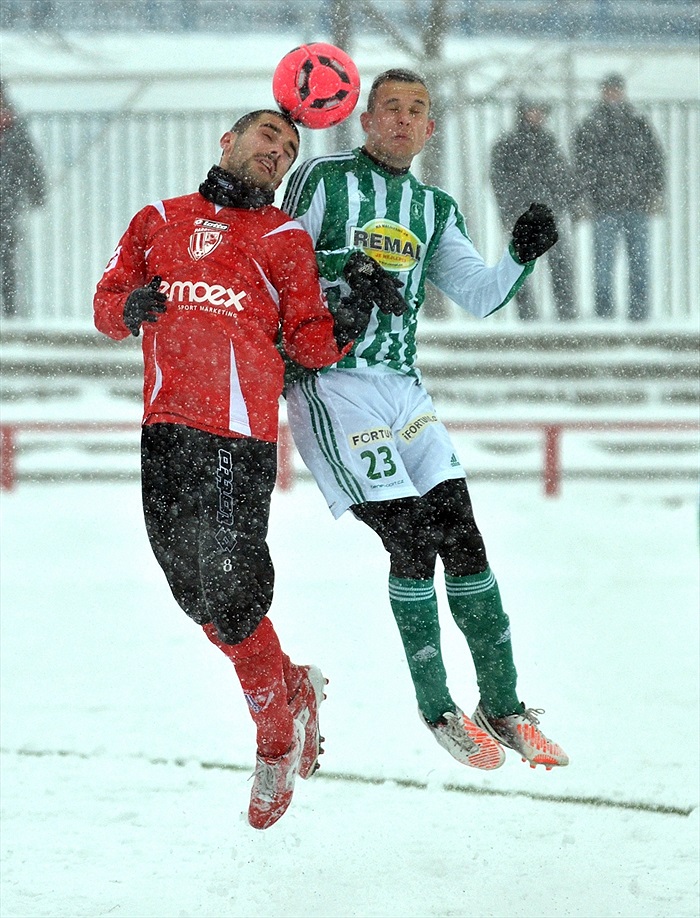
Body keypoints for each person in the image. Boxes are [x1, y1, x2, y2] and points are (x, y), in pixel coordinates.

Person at [93, 110, 379, 829]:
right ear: (229, 141)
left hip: (238, 434)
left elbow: (311, 344)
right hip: (164, 427)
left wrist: (357, 312)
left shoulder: (283, 239)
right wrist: (129, 305)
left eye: (288, 151)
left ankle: (275, 740)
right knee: (194, 594)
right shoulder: (157, 218)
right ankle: (290, 685)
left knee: (232, 586)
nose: (276, 153)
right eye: (267, 139)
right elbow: (105, 307)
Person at [282, 68, 569, 772]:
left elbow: (478, 294)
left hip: (404, 389)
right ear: (365, 119)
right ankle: (437, 704)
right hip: (333, 383)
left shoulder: (433, 208)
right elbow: (279, 260)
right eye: (392, 108)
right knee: (411, 538)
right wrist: (349, 268)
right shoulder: (323, 180)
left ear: (431, 129)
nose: (405, 119)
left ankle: (501, 706)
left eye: (418, 110)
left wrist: (521, 256)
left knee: (462, 533)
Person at [573, 73, 665, 321]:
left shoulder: (637, 123)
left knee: (639, 265)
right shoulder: (592, 125)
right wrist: (587, 197)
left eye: (616, 90)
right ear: (603, 93)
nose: (613, 95)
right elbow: (582, 166)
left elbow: (655, 160)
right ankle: (605, 314)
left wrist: (654, 192)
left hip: (636, 203)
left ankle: (638, 314)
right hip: (606, 206)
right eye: (609, 90)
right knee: (603, 265)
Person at [490, 97, 578, 321]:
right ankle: (527, 316)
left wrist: (561, 204)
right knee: (521, 269)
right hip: (521, 215)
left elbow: (563, 177)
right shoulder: (508, 145)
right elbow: (500, 183)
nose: (537, 115)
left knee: (559, 265)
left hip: (547, 213)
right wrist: (509, 212)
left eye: (540, 111)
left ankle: (566, 313)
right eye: (533, 110)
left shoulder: (548, 142)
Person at [0, 79, 46, 317]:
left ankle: (10, 311)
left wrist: (37, 191)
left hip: (6, 206)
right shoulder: (12, 125)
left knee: (6, 258)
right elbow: (29, 163)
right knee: (7, 259)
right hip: (7, 204)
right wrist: (37, 191)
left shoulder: (13, 126)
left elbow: (28, 162)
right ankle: (10, 312)